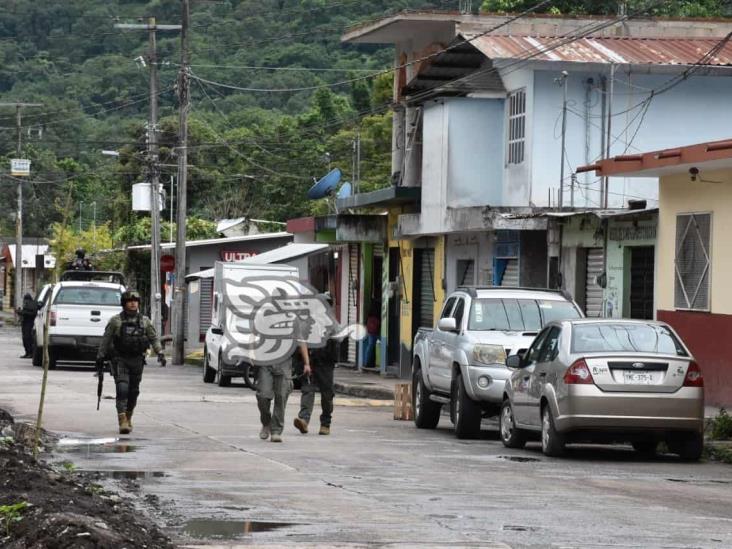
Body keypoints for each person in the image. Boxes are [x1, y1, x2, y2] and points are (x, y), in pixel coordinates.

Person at [96, 290, 165, 435]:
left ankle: (128, 416)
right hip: (120, 359)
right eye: (130, 301)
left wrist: (160, 352)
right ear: (124, 303)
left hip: (137, 360)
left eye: (135, 301)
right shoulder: (116, 321)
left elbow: (153, 338)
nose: (133, 303)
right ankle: (122, 421)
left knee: (133, 392)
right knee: (122, 389)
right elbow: (106, 340)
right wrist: (100, 357)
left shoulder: (144, 321)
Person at [257, 317, 310, 444]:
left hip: (284, 363)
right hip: (266, 360)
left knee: (281, 396)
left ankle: (276, 431)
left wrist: (306, 363)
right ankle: (266, 422)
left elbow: (301, 341)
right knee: (263, 396)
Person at [294, 294, 339, 436]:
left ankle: (325, 423)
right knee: (308, 390)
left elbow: (336, 343)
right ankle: (304, 420)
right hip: (311, 362)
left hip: (326, 364)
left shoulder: (332, 323)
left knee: (327, 395)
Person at [17, 293, 38, 358]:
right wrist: (20, 312)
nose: (25, 301)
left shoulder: (32, 304)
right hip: (25, 323)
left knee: (28, 338)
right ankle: (27, 352)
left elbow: (33, 313)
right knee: (25, 339)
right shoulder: (27, 304)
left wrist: (23, 313)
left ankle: (30, 353)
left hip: (29, 323)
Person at [362, 303, 380, 368]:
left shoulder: (369, 317)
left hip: (370, 333)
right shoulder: (376, 318)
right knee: (371, 347)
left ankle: (367, 362)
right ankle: (368, 362)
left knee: (370, 347)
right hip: (374, 333)